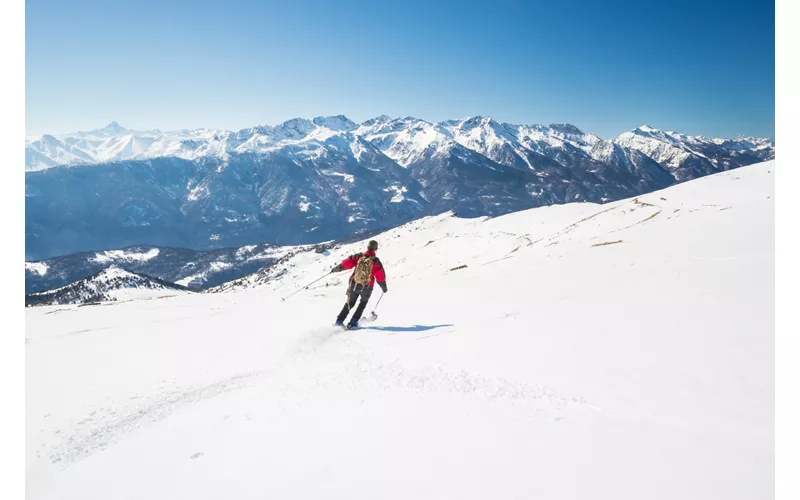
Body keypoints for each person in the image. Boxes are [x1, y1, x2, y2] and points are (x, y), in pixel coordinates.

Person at [331, 239, 388, 328]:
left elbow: (347, 263)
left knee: (349, 303)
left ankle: (339, 322)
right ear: (375, 249)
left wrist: (336, 269)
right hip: (367, 287)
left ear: (368, 247)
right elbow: (380, 277)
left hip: (354, 283)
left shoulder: (359, 256)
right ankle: (353, 323)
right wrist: (384, 287)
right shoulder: (376, 262)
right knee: (362, 304)